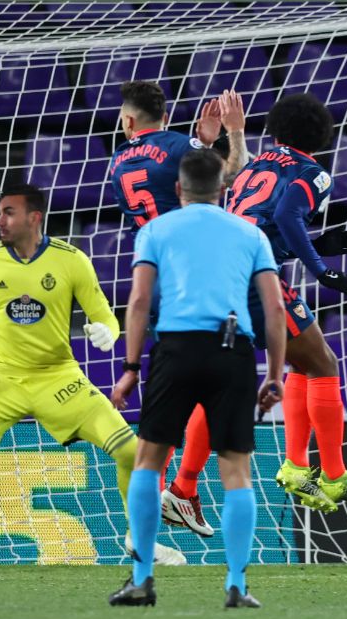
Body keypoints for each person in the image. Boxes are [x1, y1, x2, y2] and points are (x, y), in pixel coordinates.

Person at [0, 183, 184, 567]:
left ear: (34, 217)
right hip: (2, 378)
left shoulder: (71, 260)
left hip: (59, 378)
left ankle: (139, 540)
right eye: (0, 212)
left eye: (9, 212)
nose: (0, 219)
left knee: (132, 452)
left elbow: (103, 315)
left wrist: (107, 331)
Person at [108, 149, 285, 609]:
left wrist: (130, 368)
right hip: (232, 350)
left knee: (149, 462)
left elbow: (140, 300)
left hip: (177, 348)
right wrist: (275, 374)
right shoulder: (250, 233)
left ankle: (143, 579)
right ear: (224, 189)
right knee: (236, 471)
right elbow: (275, 308)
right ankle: (236, 586)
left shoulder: (155, 230)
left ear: (179, 189)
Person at [106, 80, 247, 538]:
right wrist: (228, 136)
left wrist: (201, 144)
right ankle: (183, 491)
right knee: (218, 385)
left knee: (166, 403)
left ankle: (152, 519)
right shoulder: (175, 146)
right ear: (163, 115)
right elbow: (227, 180)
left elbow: (168, 187)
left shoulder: (116, 163)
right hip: (199, 279)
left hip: (157, 277)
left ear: (128, 121)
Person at [224, 94, 347, 512]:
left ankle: (299, 465)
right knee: (324, 363)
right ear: (323, 138)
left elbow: (265, 224)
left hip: (229, 275)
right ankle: (330, 475)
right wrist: (321, 268)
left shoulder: (252, 166)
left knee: (306, 363)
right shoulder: (314, 173)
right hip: (258, 281)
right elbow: (290, 216)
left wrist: (318, 244)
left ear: (275, 131)